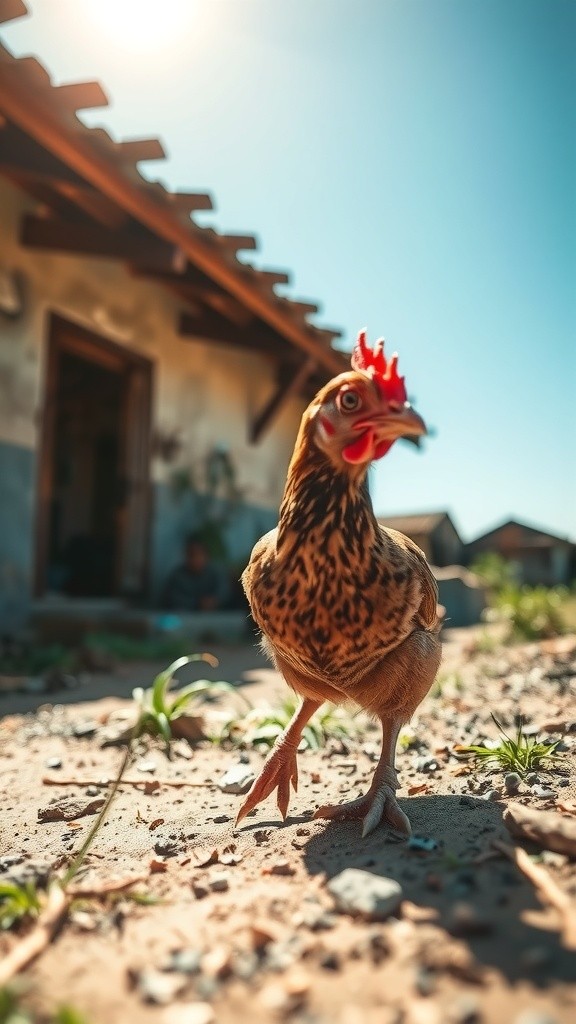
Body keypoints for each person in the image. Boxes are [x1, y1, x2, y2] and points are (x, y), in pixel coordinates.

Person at [162, 535, 229, 612]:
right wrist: (197, 603)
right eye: (191, 555)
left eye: (199, 554)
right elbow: (173, 599)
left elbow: (225, 592)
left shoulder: (217, 572)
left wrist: (214, 601)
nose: (195, 559)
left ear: (207, 556)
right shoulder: (177, 576)